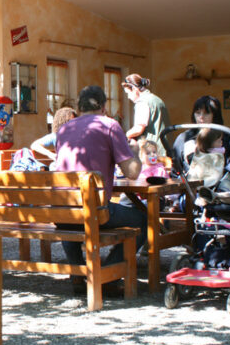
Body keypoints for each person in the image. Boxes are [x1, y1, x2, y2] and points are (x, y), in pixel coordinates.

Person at [55, 85, 147, 294]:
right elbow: (132, 173)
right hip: (94, 212)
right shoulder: (109, 126)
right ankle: (108, 275)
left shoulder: (63, 130)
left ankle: (78, 275)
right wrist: (135, 152)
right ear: (104, 107)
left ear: (79, 107)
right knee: (143, 220)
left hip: (62, 212)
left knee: (70, 213)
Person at [172, 95, 230, 173]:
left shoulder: (228, 138)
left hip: (221, 183)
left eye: (206, 113)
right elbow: (175, 171)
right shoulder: (184, 138)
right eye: (198, 113)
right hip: (191, 183)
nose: (201, 117)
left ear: (215, 116)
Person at [122, 73, 170, 156]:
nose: (128, 97)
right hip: (165, 148)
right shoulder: (157, 99)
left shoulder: (142, 102)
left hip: (151, 152)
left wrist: (125, 136)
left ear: (134, 89)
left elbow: (139, 129)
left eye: (128, 93)